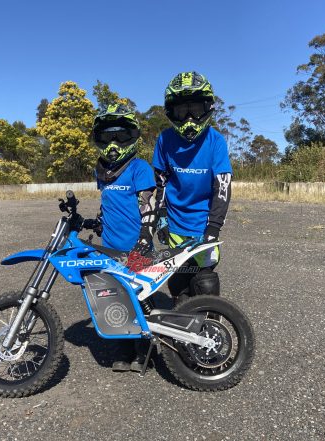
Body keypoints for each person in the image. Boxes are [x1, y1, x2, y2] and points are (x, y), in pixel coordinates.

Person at [83, 103, 156, 371]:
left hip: (137, 246)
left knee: (141, 299)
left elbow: (149, 205)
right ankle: (123, 351)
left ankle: (145, 351)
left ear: (132, 136)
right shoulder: (101, 171)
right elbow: (107, 203)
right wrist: (97, 222)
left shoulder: (139, 168)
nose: (113, 143)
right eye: (107, 136)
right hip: (110, 248)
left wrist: (145, 239)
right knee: (115, 298)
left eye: (121, 136)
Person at [152, 71, 232, 303]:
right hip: (175, 226)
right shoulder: (164, 139)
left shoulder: (216, 140)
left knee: (205, 282)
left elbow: (223, 187)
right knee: (179, 284)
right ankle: (182, 333)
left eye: (195, 110)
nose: (188, 118)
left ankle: (208, 328)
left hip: (203, 225)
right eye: (181, 111)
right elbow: (160, 183)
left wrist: (214, 227)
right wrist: (161, 217)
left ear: (207, 108)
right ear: (171, 112)